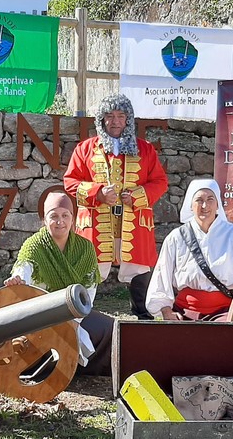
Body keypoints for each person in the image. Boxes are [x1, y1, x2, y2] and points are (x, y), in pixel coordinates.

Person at [63, 93, 168, 320]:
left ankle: (143, 321)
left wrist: (138, 197)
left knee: (139, 272)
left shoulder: (146, 149)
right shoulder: (85, 149)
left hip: (133, 225)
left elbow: (160, 182)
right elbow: (70, 181)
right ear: (101, 120)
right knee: (89, 271)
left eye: (121, 116)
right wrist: (98, 193)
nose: (115, 121)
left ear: (129, 119)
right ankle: (79, 321)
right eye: (109, 116)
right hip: (96, 226)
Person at [4, 191, 112, 376]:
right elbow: (24, 271)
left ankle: (87, 368)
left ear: (73, 219)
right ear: (44, 220)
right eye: (53, 216)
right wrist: (18, 281)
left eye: (65, 215)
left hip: (76, 311)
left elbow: (89, 289)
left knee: (111, 329)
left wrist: (75, 316)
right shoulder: (34, 246)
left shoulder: (85, 248)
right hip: (41, 314)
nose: (60, 221)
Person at [146, 178, 233, 321]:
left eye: (210, 199)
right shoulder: (176, 237)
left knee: (224, 336)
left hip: (225, 311)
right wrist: (166, 311)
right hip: (184, 311)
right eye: (199, 200)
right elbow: (162, 275)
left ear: (217, 205)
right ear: (190, 205)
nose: (205, 205)